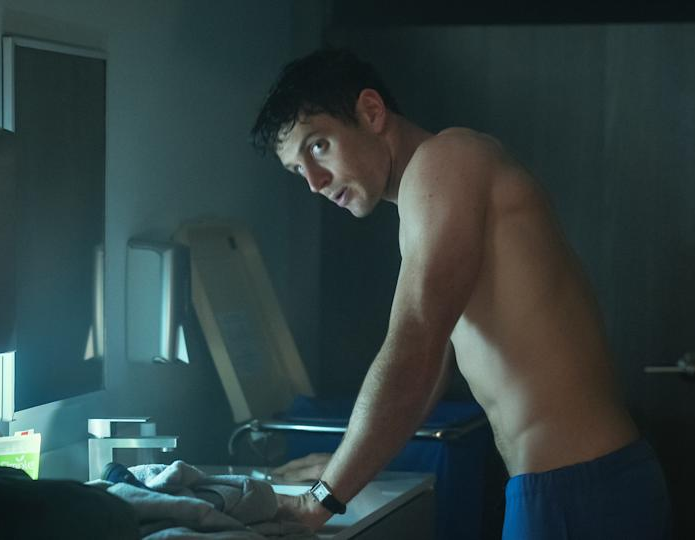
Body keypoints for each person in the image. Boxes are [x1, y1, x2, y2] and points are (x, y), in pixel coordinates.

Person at [250, 49, 671, 538]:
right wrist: (346, 465)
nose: (315, 182)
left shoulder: (443, 161)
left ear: (371, 111)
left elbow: (413, 348)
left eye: (319, 146)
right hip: (590, 485)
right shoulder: (436, 190)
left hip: (576, 491)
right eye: (297, 169)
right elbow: (430, 373)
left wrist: (320, 499)